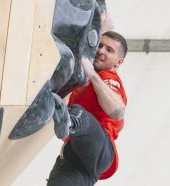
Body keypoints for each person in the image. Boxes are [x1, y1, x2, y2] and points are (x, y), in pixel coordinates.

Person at [47, 30, 128, 186]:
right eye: (100, 45)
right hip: (75, 162)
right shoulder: (81, 84)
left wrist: (91, 72)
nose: (101, 51)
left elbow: (118, 112)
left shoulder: (108, 78)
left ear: (118, 62)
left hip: (100, 149)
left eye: (109, 50)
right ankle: (70, 121)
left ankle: (71, 121)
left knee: (78, 114)